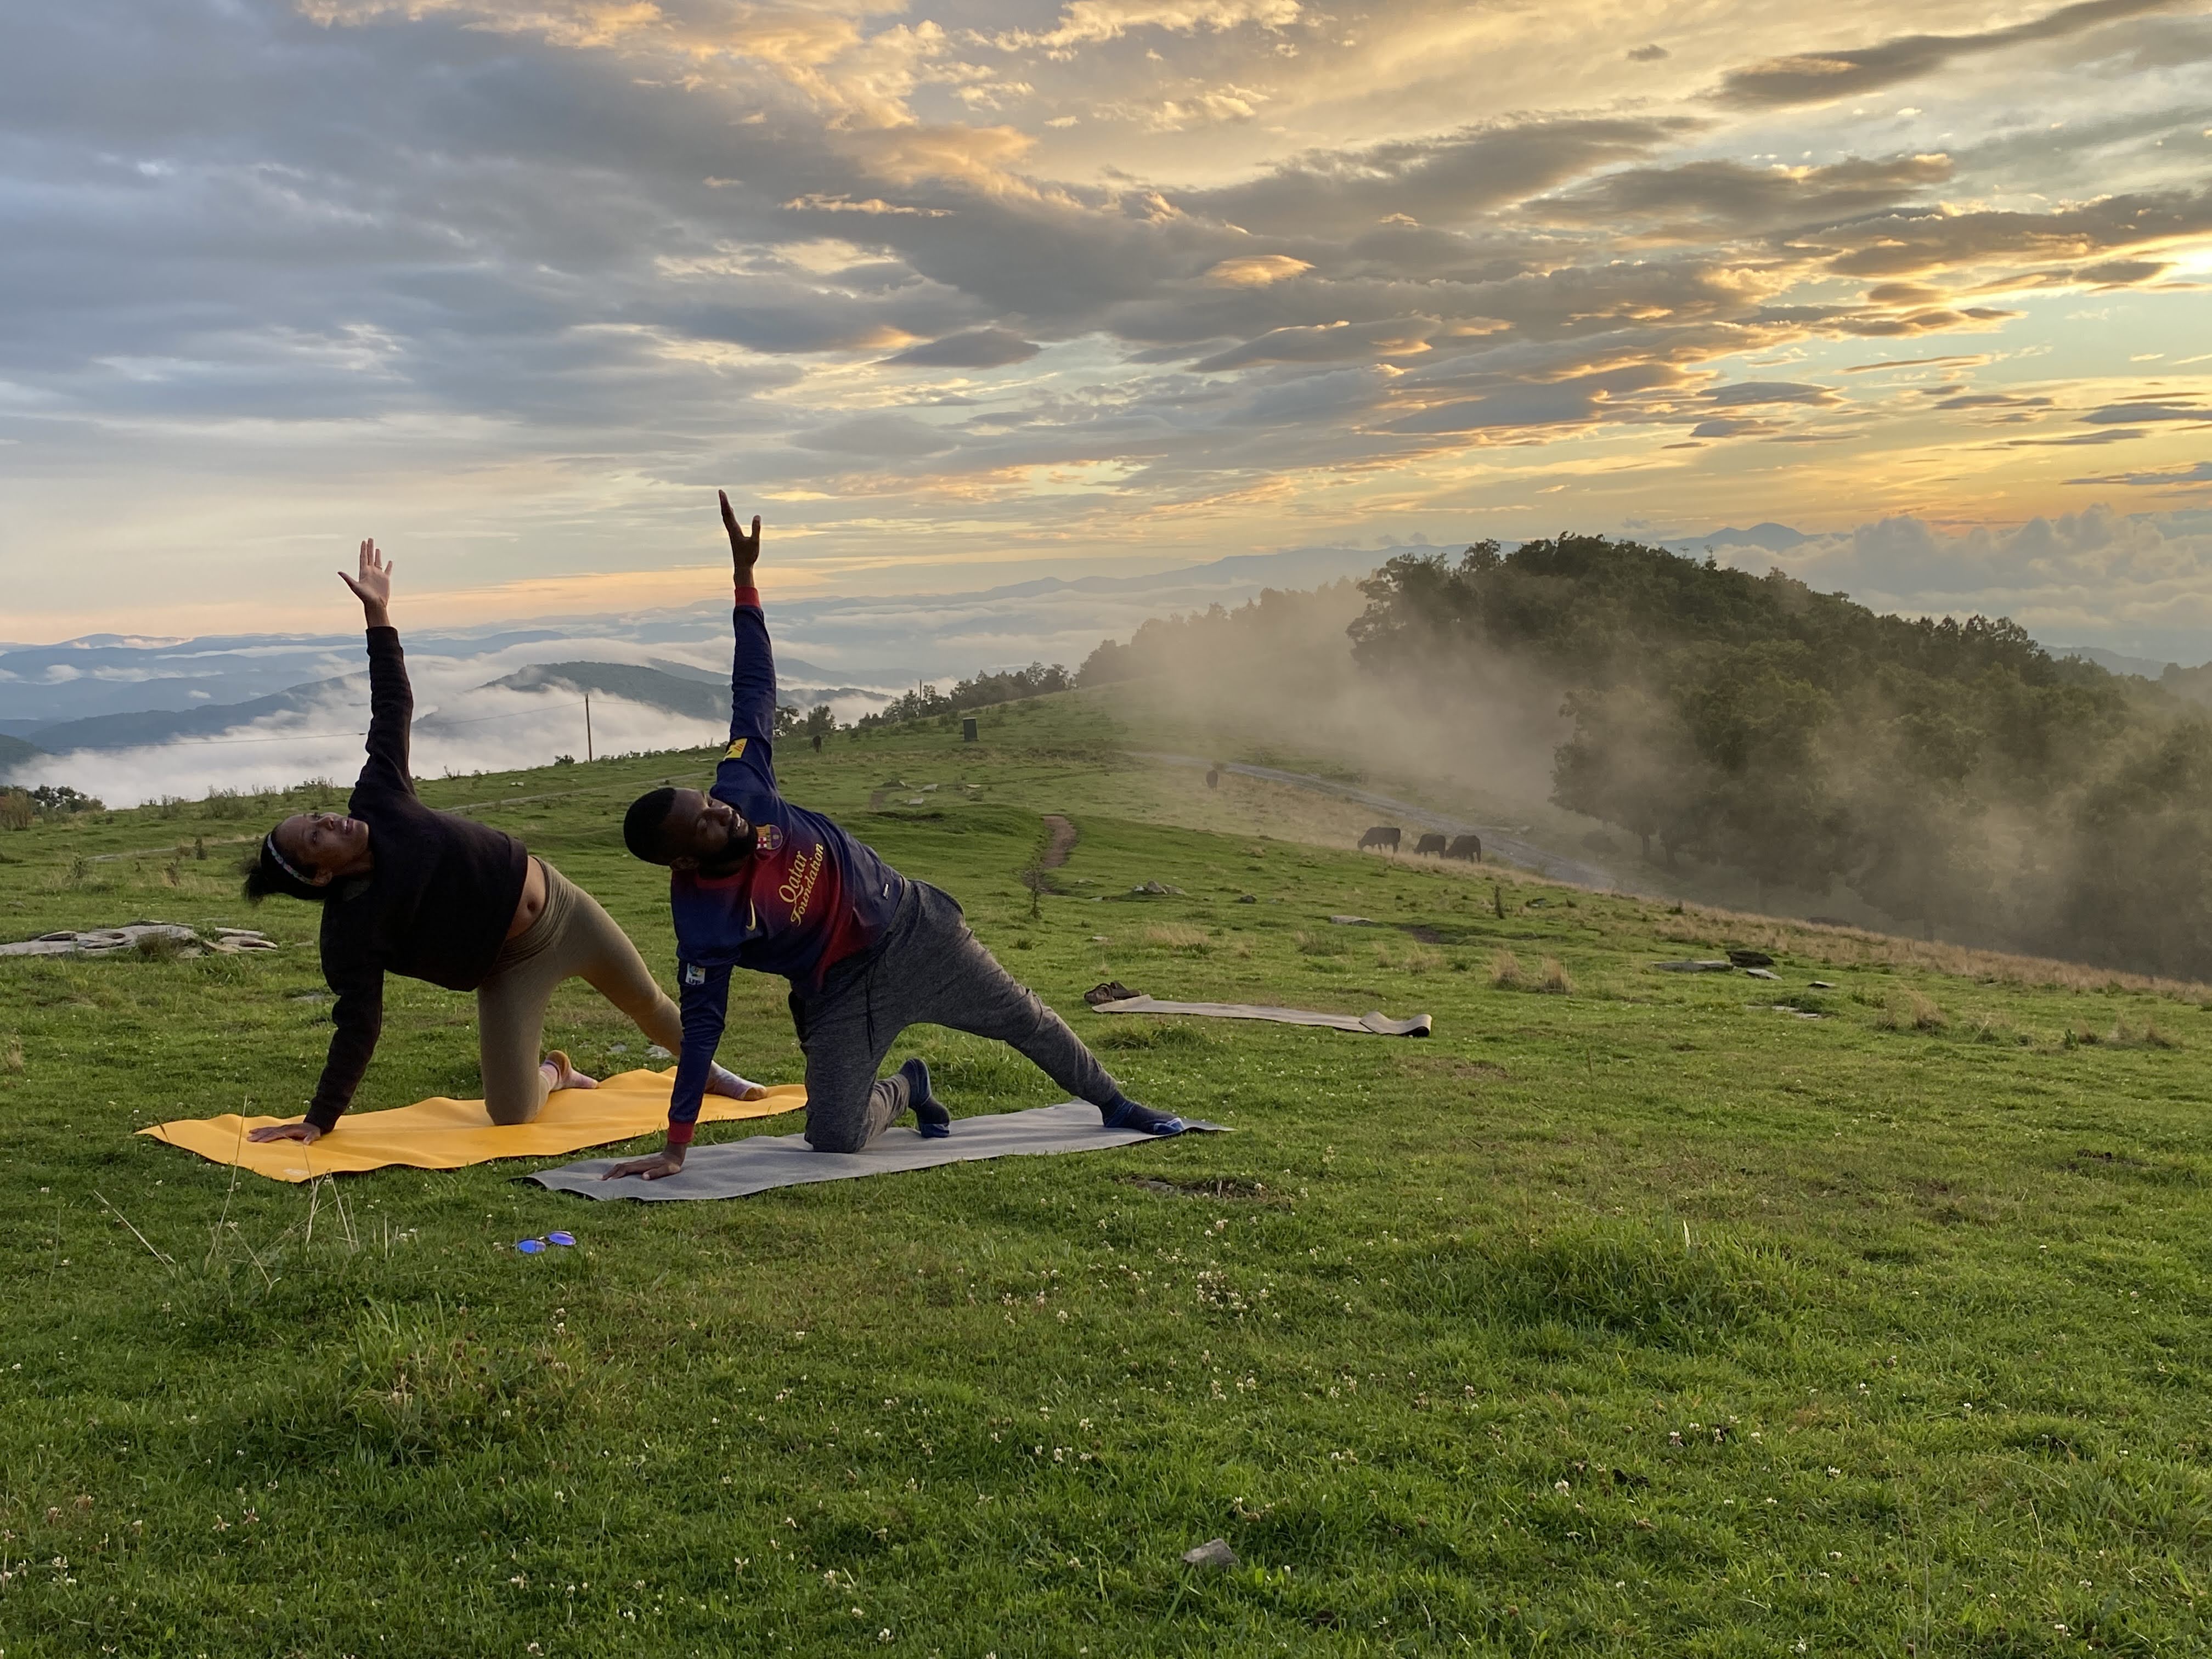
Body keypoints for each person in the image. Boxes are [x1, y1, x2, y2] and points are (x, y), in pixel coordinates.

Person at [606, 495, 1182, 1181]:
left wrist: (745, 579)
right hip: (839, 991)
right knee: (834, 1138)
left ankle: (1116, 1104)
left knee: (1023, 1018)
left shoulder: (745, 785)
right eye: (701, 822)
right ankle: (909, 1085)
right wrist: (677, 1145)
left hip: (915, 929)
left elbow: (753, 689)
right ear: (681, 857)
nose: (718, 812)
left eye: (707, 800)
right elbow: (702, 1029)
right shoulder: (704, 922)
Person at [241, 539, 765, 1145]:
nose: (330, 819)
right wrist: (319, 1120)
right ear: (320, 875)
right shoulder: (351, 932)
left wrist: (377, 615)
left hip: (563, 908)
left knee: (646, 1000)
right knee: (511, 1114)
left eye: (318, 814)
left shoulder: (379, 798)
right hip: (508, 964)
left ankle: (713, 1076)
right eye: (316, 835)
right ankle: (558, 1071)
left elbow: (392, 705)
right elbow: (357, 1025)